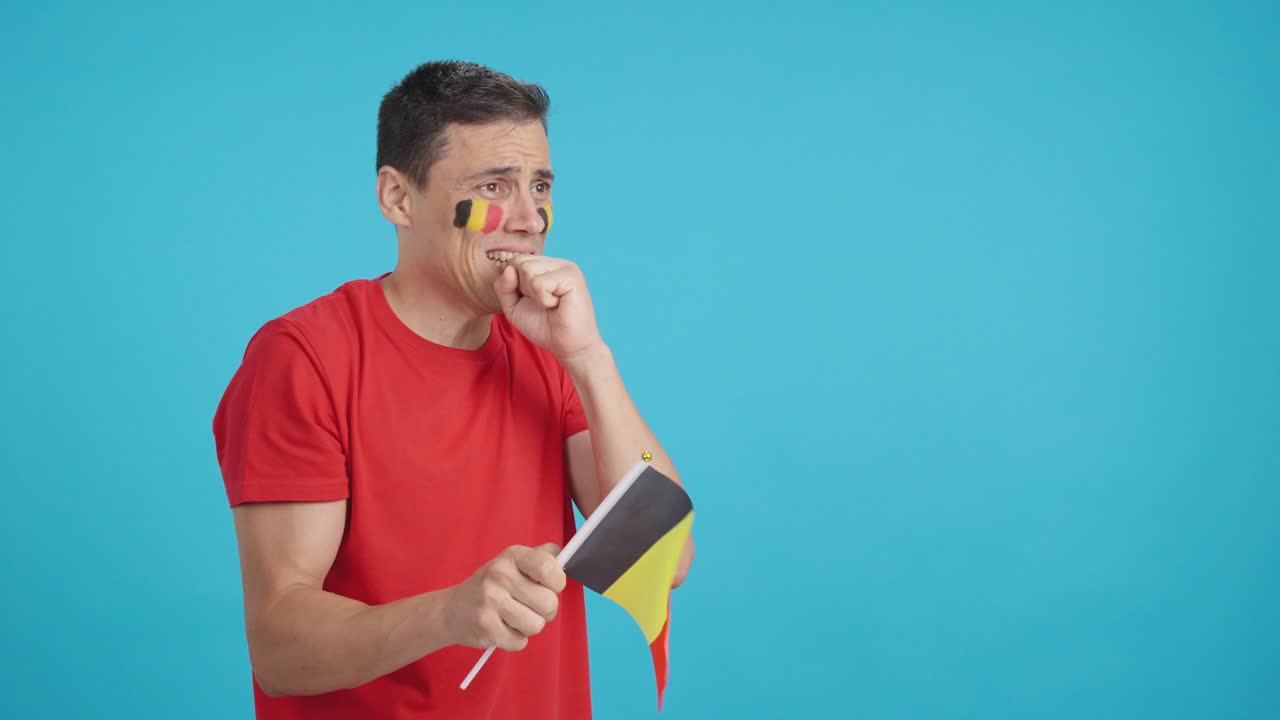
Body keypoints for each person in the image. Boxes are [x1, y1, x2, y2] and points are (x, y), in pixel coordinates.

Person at [211, 60, 695, 719]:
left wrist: (588, 356)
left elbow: (660, 561)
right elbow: (278, 645)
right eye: (495, 185)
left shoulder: (548, 349)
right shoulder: (305, 358)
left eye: (540, 186)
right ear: (398, 199)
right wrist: (451, 613)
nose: (528, 218)